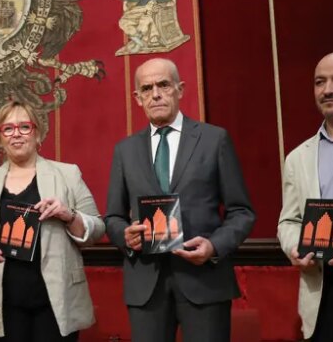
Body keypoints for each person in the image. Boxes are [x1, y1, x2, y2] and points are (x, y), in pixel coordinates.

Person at [105, 58, 255, 342]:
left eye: (163, 85)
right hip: (146, 286)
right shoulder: (125, 150)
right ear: (137, 99)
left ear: (180, 89)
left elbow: (242, 211)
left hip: (204, 280)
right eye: (146, 89)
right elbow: (112, 217)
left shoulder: (214, 139)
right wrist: (125, 236)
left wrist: (213, 246)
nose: (156, 94)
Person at [0, 100, 104, 341]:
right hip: (1, 302)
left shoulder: (68, 174)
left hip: (56, 301)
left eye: (24, 127)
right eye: (8, 129)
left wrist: (69, 215)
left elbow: (98, 228)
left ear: (37, 134)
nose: (16, 134)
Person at [277, 51, 333, 341]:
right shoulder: (297, 158)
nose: (328, 90)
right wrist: (295, 249)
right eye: (319, 82)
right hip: (321, 298)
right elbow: (288, 222)